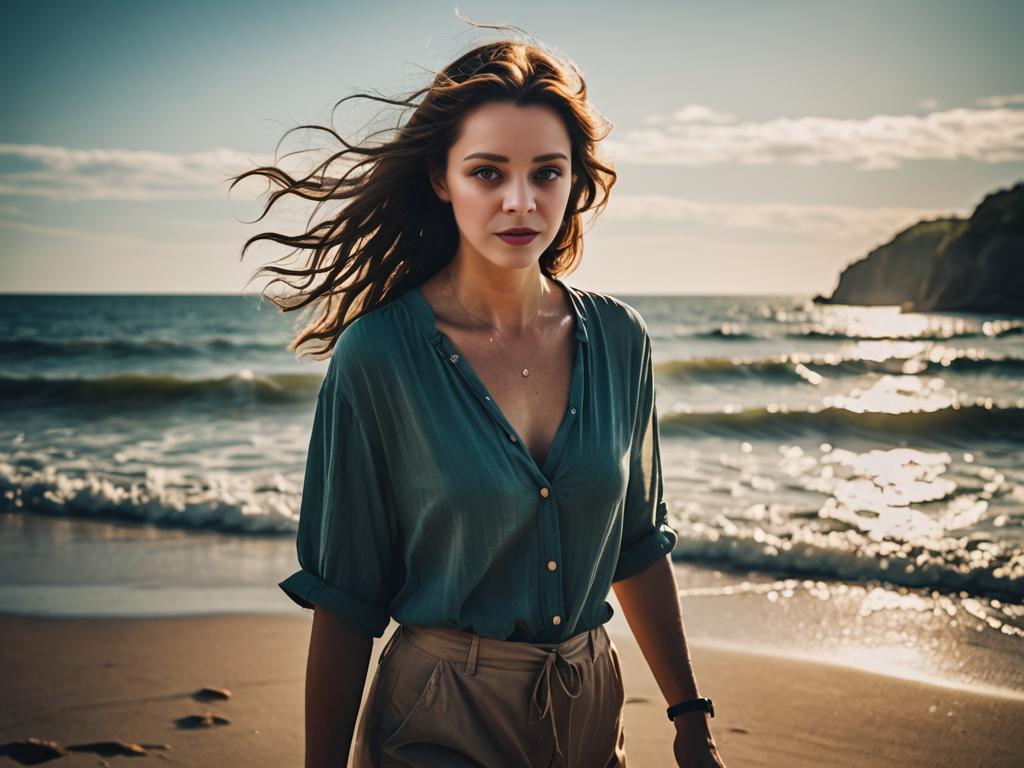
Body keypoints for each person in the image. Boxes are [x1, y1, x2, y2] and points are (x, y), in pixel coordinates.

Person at [232, 26, 727, 768]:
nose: (521, 202)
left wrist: (690, 718)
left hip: (590, 708)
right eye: (488, 173)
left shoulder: (623, 339)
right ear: (442, 178)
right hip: (439, 713)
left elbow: (637, 547)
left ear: (576, 181)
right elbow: (346, 599)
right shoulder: (381, 355)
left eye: (547, 174)